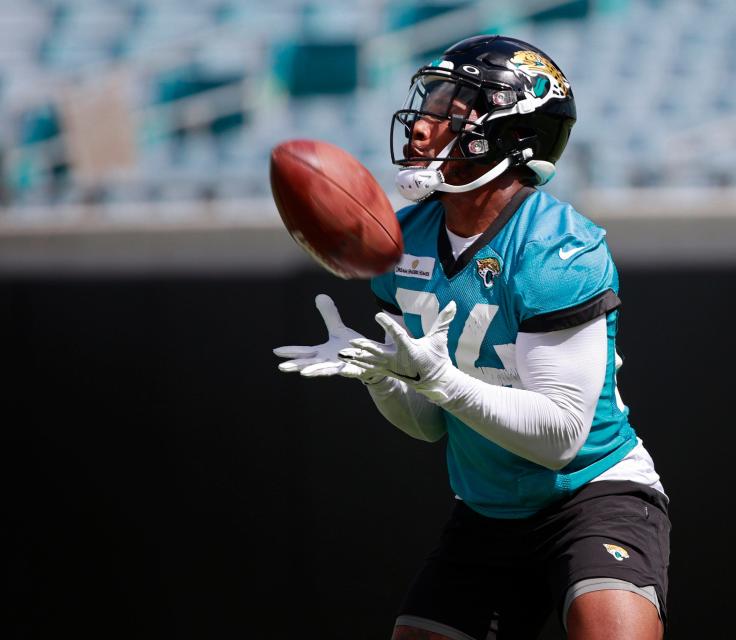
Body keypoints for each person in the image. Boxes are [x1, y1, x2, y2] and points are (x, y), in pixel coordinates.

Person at [274, 35, 670, 640]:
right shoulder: (403, 244)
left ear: (511, 136)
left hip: (591, 493)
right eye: (427, 102)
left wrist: (437, 379)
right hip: (485, 507)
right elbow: (430, 425)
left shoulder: (556, 245)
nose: (421, 126)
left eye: (449, 112)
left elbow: (561, 438)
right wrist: (382, 377)